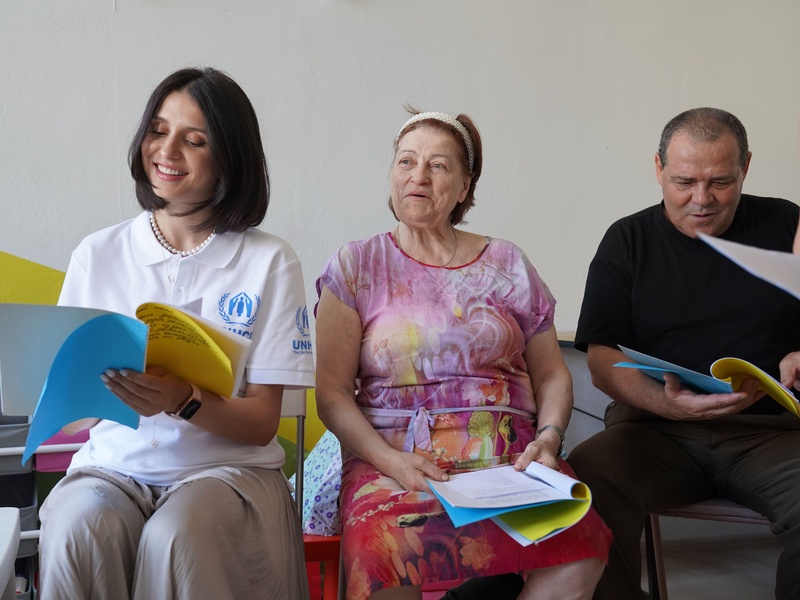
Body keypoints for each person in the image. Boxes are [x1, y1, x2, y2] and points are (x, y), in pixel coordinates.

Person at [38, 67, 315, 600]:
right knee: (77, 524)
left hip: (227, 474)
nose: (167, 151)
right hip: (113, 469)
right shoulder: (97, 254)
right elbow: (72, 414)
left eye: (195, 140)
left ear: (229, 159)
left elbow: (261, 424)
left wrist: (183, 399)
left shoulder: (270, 261)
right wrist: (79, 393)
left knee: (175, 534)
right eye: (158, 130)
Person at [314, 110, 612, 600]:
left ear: (463, 186)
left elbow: (553, 375)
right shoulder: (356, 265)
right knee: (385, 552)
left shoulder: (508, 262)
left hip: (510, 456)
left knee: (580, 547)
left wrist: (550, 440)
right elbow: (331, 394)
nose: (418, 175)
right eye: (406, 161)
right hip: (395, 457)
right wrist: (390, 461)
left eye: (438, 165)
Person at [568, 107, 800, 600]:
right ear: (657, 168)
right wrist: (666, 405)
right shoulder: (627, 240)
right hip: (654, 432)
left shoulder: (786, 224)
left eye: (720, 182)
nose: (701, 199)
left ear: (747, 168)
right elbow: (601, 361)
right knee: (582, 482)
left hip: (771, 435)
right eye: (684, 181)